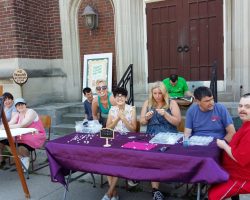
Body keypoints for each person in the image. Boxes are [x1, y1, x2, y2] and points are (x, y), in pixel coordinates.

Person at [140, 81, 181, 200]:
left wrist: (166, 115)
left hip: (169, 135)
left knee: (165, 155)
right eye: (155, 93)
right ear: (151, 93)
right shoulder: (148, 103)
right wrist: (146, 118)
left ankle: (168, 178)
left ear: (164, 93)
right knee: (152, 157)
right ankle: (155, 190)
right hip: (152, 135)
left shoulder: (171, 103)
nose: (157, 96)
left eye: (160, 93)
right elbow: (141, 121)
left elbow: (177, 121)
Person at [208, 93, 250, 199]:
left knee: (213, 196)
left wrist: (224, 145)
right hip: (232, 171)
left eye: (247, 107)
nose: (242, 109)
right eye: (240, 106)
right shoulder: (246, 123)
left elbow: (239, 158)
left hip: (243, 178)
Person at [102, 87, 137, 200]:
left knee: (118, 162)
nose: (120, 97)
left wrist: (124, 118)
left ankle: (109, 193)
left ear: (126, 98)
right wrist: (117, 118)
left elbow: (133, 129)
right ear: (115, 98)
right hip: (114, 139)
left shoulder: (131, 109)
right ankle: (114, 192)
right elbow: (107, 128)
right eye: (117, 96)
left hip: (128, 140)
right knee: (107, 160)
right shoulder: (112, 109)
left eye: (122, 96)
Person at [0, 98, 46, 171]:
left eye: (22, 104)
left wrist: (5, 127)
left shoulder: (31, 112)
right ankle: (22, 157)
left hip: (35, 135)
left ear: (25, 104)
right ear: (16, 107)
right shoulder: (18, 114)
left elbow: (23, 124)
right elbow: (10, 123)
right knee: (5, 140)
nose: (20, 106)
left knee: (21, 144)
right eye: (18, 105)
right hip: (22, 135)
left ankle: (24, 157)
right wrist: (3, 126)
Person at [0, 92, 17, 167]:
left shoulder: (14, 108)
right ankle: (1, 160)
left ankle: (15, 158)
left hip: (11, 130)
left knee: (3, 141)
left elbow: (13, 121)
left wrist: (3, 127)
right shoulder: (2, 107)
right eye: (5, 99)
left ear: (12, 100)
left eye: (9, 99)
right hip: (2, 130)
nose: (7, 101)